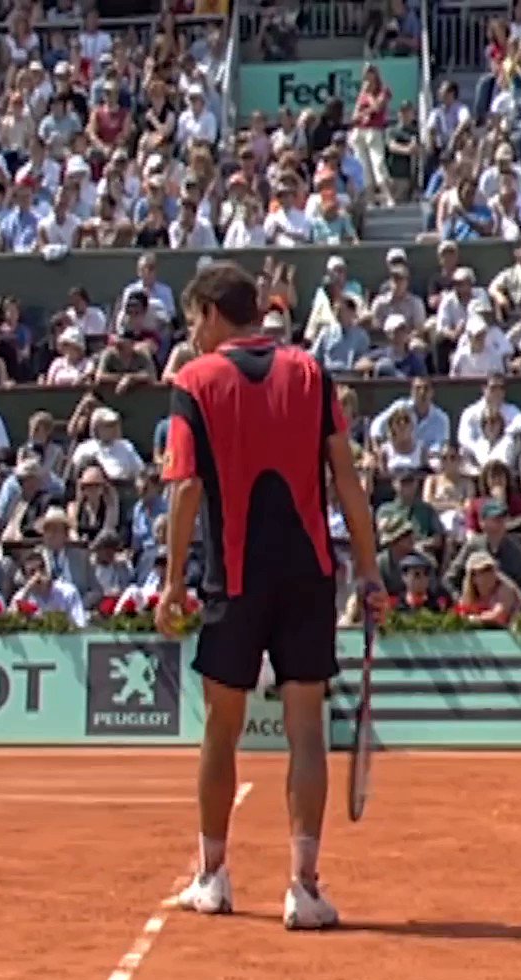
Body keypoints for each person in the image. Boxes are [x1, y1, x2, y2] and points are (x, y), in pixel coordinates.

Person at [158, 262, 381, 930]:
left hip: (233, 579)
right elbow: (346, 478)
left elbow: (186, 490)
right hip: (308, 574)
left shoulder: (192, 382)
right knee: (306, 729)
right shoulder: (311, 373)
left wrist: (172, 584)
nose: (192, 333)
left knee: (220, 730)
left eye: (193, 318)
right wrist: (368, 571)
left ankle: (213, 877)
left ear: (210, 314)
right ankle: (303, 888)